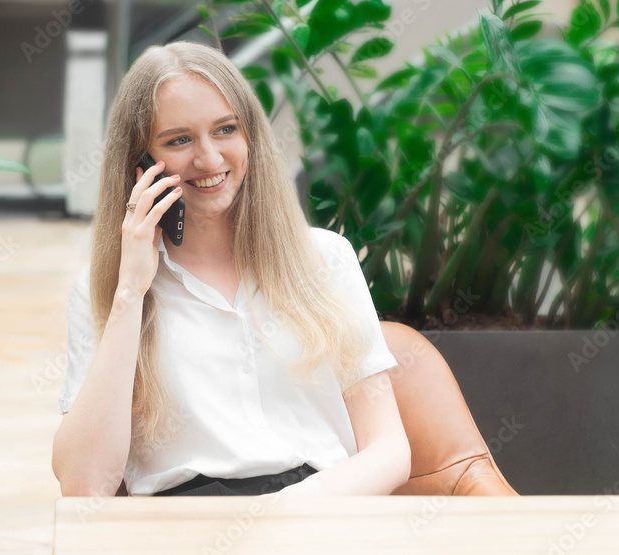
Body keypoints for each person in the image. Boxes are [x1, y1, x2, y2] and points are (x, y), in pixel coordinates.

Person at [51, 40, 410, 497]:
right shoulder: (105, 291)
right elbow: (84, 486)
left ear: (250, 138)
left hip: (319, 508)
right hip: (185, 524)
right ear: (138, 163)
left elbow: (389, 449)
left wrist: (281, 516)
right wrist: (130, 294)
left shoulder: (326, 259)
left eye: (225, 130)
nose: (209, 158)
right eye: (179, 140)